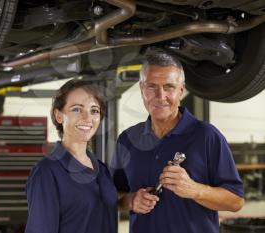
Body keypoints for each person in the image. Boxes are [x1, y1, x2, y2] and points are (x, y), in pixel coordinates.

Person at [110, 52, 244, 233]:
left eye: (169, 87)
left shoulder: (206, 136)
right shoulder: (127, 139)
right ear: (142, 89)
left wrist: (194, 190)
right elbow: (112, 197)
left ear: (181, 90)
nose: (160, 96)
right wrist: (131, 200)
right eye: (152, 87)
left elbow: (236, 201)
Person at [24, 79, 117, 233]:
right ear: (59, 115)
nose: (87, 118)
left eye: (94, 110)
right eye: (76, 109)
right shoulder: (47, 173)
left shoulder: (101, 169)